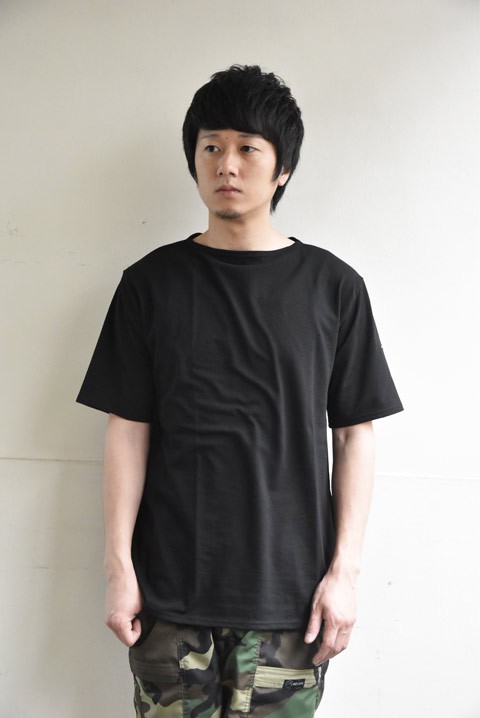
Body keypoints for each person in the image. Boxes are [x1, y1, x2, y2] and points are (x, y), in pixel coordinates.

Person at [77, 64, 403, 718]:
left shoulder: (333, 288)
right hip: (170, 598)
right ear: (194, 159)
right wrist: (118, 571)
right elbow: (127, 429)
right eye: (211, 146)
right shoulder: (150, 285)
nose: (226, 164)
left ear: (283, 169)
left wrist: (344, 574)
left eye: (248, 148)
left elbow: (354, 435)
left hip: (291, 603)